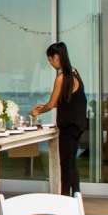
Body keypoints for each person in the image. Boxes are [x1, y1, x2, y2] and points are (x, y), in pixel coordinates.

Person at [30, 42, 86, 195]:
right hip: (78, 124)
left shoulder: (61, 78)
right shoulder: (74, 72)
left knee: (66, 164)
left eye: (50, 59)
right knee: (71, 163)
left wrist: (37, 111)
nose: (50, 63)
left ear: (56, 57)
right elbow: (68, 102)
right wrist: (46, 106)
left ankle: (65, 199)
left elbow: (52, 103)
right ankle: (76, 196)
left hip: (70, 126)